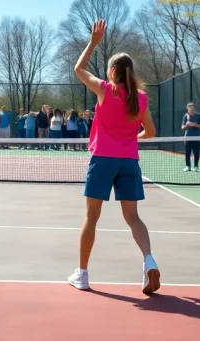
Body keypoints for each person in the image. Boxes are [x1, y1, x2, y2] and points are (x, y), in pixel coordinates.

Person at [67, 19, 159, 295]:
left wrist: (93, 43)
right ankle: (149, 260)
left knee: (91, 217)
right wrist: (131, 138)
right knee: (133, 218)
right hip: (129, 161)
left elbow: (78, 69)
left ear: (112, 71)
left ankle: (81, 275)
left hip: (103, 160)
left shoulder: (105, 90)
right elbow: (151, 132)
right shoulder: (140, 98)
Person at [182, 103, 200, 172]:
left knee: (196, 152)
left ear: (194, 108)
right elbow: (182, 128)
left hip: (196, 137)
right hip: (188, 137)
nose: (190, 108)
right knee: (187, 153)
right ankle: (187, 166)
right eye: (189, 107)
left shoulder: (199, 116)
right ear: (187, 108)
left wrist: (195, 125)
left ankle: (196, 166)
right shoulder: (185, 116)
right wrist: (186, 125)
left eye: (191, 107)